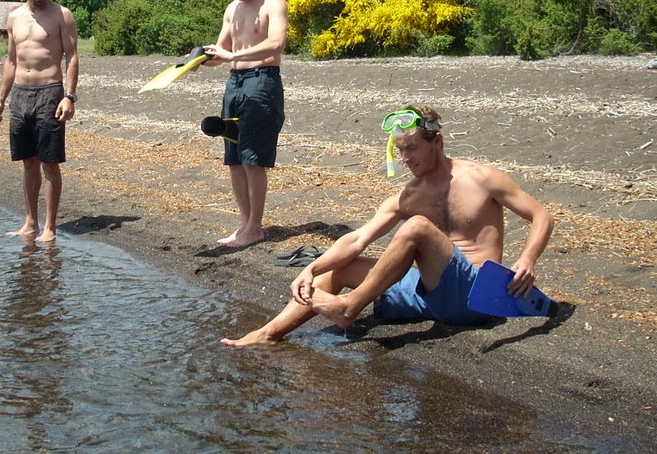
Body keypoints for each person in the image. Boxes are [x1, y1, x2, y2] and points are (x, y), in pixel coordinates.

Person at [221, 104, 554, 346]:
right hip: (427, 296)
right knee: (337, 271)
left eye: (412, 148)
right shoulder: (407, 196)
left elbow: (542, 216)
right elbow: (357, 239)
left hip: (474, 294)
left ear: (436, 142)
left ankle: (349, 308)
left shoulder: (482, 178)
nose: (406, 158)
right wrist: (312, 268)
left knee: (417, 227)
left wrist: (527, 259)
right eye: (400, 150)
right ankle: (269, 334)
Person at [201, 0, 288, 248]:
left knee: (252, 158)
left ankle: (255, 227)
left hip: (262, 82)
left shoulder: (273, 3)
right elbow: (222, 48)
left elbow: (276, 43)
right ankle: (243, 225)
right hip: (234, 83)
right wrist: (204, 57)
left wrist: (232, 55)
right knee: (235, 158)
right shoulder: (232, 8)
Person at [0, 0, 79, 244]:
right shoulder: (14, 17)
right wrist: (0, 100)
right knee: (29, 161)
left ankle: (49, 227)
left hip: (49, 92)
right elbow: (11, 60)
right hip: (20, 94)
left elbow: (72, 56)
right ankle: (30, 222)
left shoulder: (61, 15)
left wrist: (69, 96)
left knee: (49, 163)